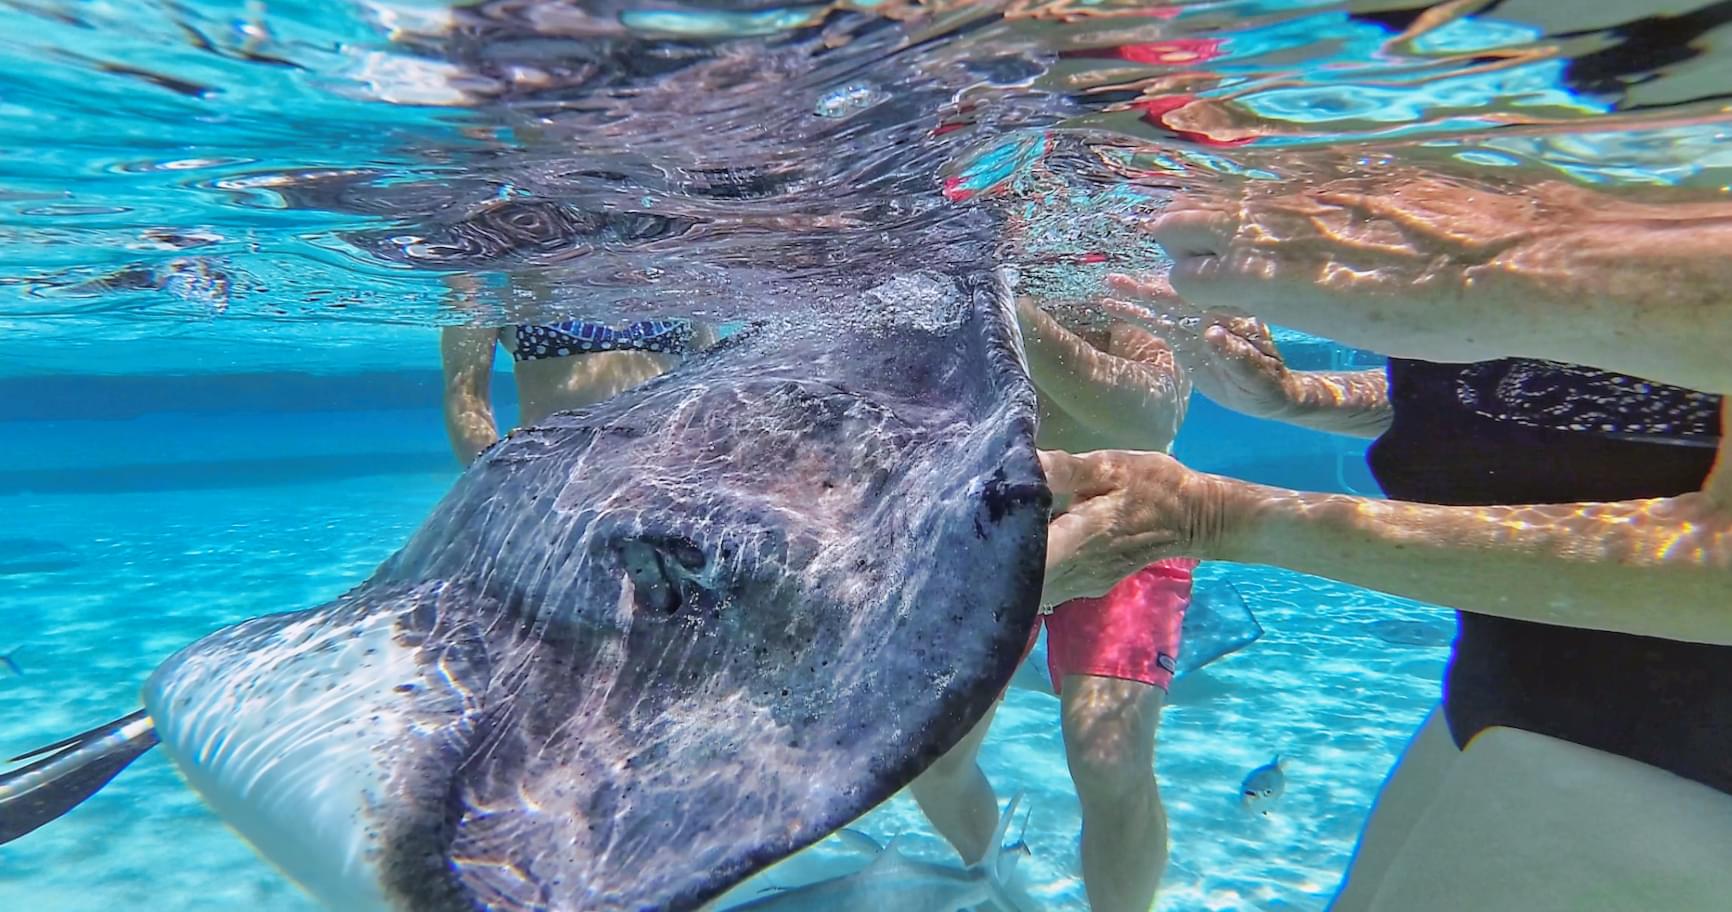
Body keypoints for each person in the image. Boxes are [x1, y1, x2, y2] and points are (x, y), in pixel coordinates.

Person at [1037, 171, 1731, 909]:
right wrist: (1300, 396)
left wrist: (1221, 516)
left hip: (1675, 745)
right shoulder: (1590, 172)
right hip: (1521, 676)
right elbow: (1521, 395)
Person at [911, 295, 1193, 912]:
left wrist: (1004, 302)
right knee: (930, 760)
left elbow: (1151, 419)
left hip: (1124, 516)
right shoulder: (937, 266)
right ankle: (1014, 891)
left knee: (1107, 759)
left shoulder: (1123, 262)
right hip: (991, 524)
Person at [439, 278, 718, 465]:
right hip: (549, 472)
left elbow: (711, 383)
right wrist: (493, 479)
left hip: (666, 471)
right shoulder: (492, 275)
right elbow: (465, 392)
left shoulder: (680, 273)